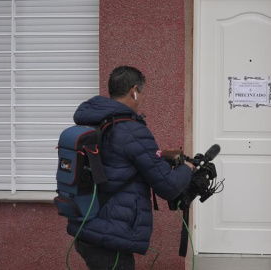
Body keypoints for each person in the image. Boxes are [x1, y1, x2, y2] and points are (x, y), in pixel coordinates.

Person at [67, 66, 195, 269]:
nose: (142, 98)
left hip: (89, 224)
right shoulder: (131, 129)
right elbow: (168, 186)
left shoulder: (96, 121)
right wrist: (187, 168)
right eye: (141, 93)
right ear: (134, 90)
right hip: (109, 235)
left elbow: (117, 161)